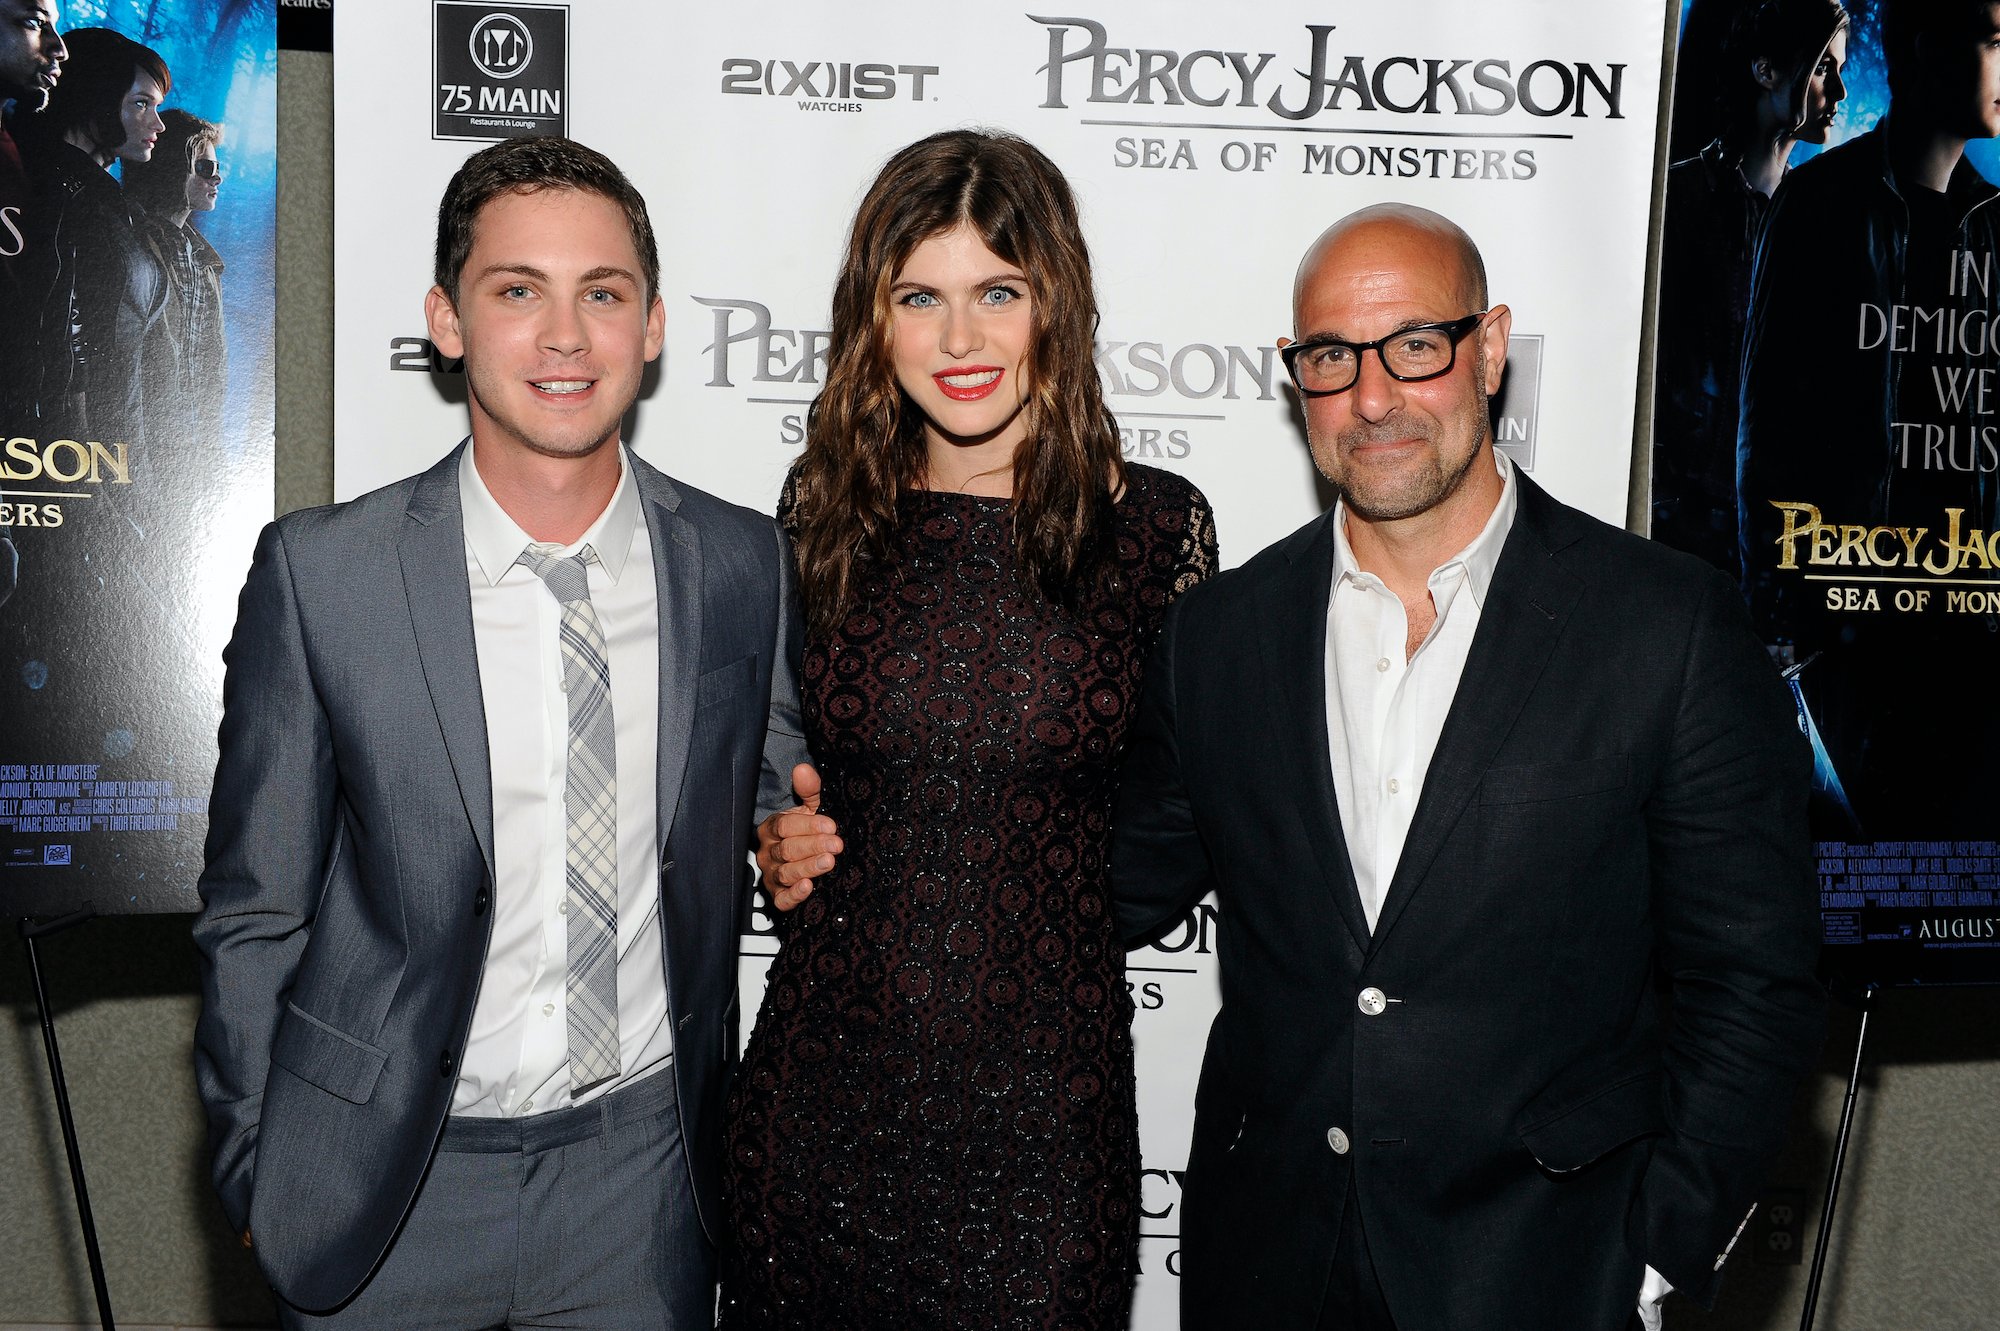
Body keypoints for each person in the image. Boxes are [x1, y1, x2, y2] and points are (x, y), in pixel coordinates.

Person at [1108, 203, 1824, 1330]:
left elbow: (1754, 976)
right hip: (1271, 1261)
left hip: (1548, 1265)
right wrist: (857, 839)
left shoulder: (1662, 624)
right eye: (1331, 359)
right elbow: (1101, 878)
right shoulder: (1219, 635)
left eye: (1413, 346)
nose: (1374, 397)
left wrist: (1659, 1247)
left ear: (1488, 350)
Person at [192, 135, 809, 1328]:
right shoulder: (326, 575)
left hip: (641, 1185)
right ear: (448, 318)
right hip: (382, 1183)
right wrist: (255, 1163)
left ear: (655, 323)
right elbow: (254, 907)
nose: (566, 335)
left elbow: (776, 783)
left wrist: (796, 823)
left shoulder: (741, 564)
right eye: (517, 290)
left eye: (603, 293)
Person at [720, 128, 1217, 1329]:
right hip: (820, 1111)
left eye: (998, 292)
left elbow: (1193, 804)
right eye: (919, 297)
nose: (958, 340)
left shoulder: (1153, 532)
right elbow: (775, 748)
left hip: (1043, 1132)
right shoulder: (822, 509)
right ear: (872, 319)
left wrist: (1039, 912)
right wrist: (774, 827)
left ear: (1057, 303)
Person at [1737, 0, 2000, 837]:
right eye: (1995, 38)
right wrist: (1786, 644)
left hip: (1975, 652)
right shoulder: (1818, 205)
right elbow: (1764, 435)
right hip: (1845, 647)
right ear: (1931, 48)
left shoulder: (1996, 228)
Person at [1653, 0, 1848, 573]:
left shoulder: (1826, 221)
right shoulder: (1678, 201)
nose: (1837, 91)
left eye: (1840, 69)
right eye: (1821, 68)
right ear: (1765, 71)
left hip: (1782, 527)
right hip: (1680, 524)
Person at [125, 108, 227, 450]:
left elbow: (209, 372)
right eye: (204, 167)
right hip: (144, 441)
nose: (216, 178)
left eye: (216, 168)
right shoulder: (130, 242)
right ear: (170, 168)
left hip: (192, 446)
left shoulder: (204, 262)